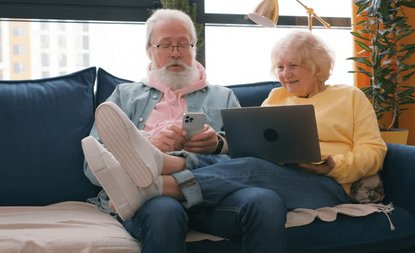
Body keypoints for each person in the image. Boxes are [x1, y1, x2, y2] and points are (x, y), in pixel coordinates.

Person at [84, 29, 387, 251]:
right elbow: (248, 146)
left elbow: (374, 151)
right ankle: (161, 164)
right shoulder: (276, 97)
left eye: (293, 66)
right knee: (250, 163)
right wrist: (220, 144)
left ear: (317, 67)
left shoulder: (350, 97)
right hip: (275, 175)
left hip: (326, 185)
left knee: (252, 166)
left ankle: (157, 177)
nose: (284, 74)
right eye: (279, 66)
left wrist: (332, 165)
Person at [82, 9, 287, 253]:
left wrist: (217, 144)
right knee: (165, 212)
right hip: (153, 202)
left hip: (212, 197)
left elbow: (248, 161)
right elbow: (92, 168)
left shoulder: (223, 96)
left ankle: (161, 169)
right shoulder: (124, 96)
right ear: (149, 50)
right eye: (165, 45)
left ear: (194, 48)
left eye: (183, 44)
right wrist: (150, 142)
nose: (175, 53)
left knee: (265, 201)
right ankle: (153, 164)